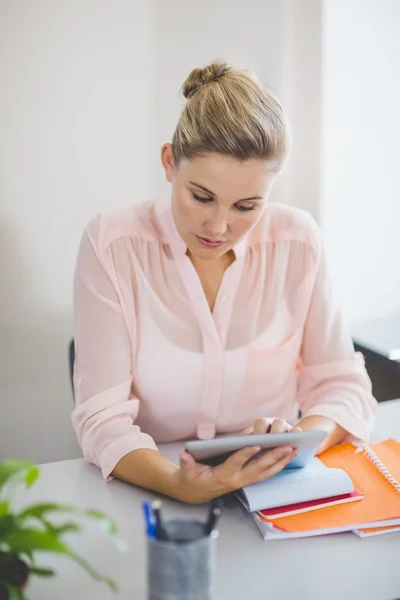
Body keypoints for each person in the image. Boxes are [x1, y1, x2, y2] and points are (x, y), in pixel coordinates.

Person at [71, 60, 377, 504]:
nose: (218, 225)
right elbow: (101, 417)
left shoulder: (299, 241)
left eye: (247, 206)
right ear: (169, 163)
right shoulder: (112, 245)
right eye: (201, 197)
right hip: (151, 489)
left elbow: (343, 386)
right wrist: (178, 483)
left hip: (276, 488)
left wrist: (290, 445)